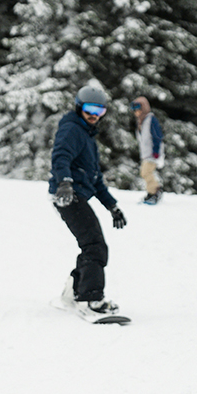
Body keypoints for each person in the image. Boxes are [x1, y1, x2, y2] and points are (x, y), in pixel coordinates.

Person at [48, 85, 127, 315]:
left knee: (91, 245)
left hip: (76, 194)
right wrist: (64, 182)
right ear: (79, 107)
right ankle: (90, 299)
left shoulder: (87, 136)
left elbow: (95, 180)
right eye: (90, 109)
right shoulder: (72, 129)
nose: (94, 115)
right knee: (95, 246)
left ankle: (73, 292)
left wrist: (112, 206)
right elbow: (60, 155)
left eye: (100, 111)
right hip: (68, 195)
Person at [130, 96, 164, 204]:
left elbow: (157, 136)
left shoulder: (150, 119)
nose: (136, 112)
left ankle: (155, 192)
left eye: (138, 109)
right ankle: (151, 193)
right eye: (135, 110)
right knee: (144, 173)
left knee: (146, 172)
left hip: (153, 153)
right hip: (146, 153)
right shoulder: (141, 121)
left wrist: (156, 151)